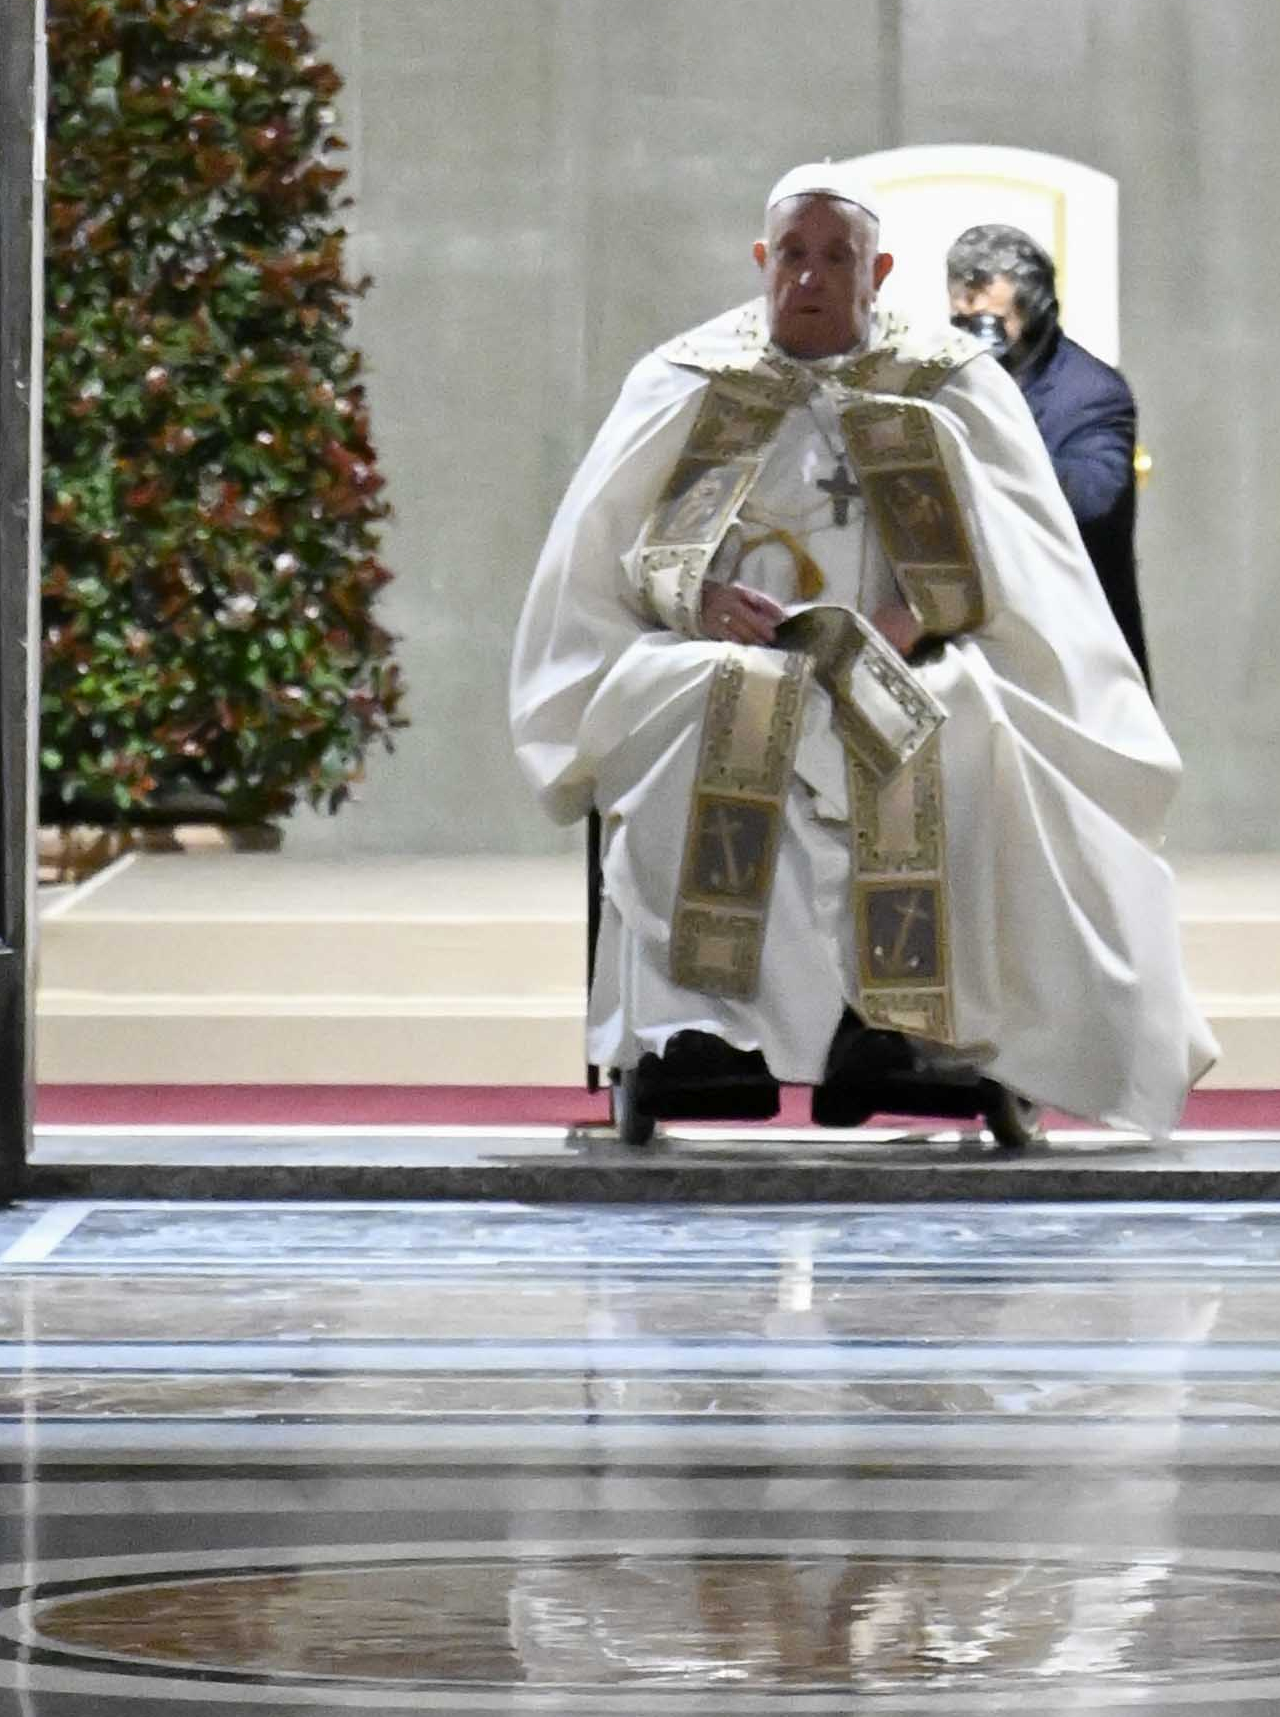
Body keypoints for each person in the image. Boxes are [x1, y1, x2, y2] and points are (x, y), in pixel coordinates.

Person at [513, 166, 1210, 1148]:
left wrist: (920, 612)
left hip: (911, 650)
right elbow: (618, 552)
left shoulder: (948, 381)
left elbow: (1020, 554)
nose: (811, 275)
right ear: (764, 261)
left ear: (876, 269)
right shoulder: (694, 375)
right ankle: (697, 1035)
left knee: (956, 720)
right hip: (728, 653)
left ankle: (905, 1031)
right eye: (793, 254)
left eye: (836, 256)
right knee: (698, 706)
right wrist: (698, 597)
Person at [944, 218, 1148, 676]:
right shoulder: (952, 383)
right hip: (982, 650)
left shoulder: (1091, 393)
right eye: (963, 322)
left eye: (992, 325)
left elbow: (1092, 501)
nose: (976, 340)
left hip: (1075, 652)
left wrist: (991, 436)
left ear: (1033, 311)